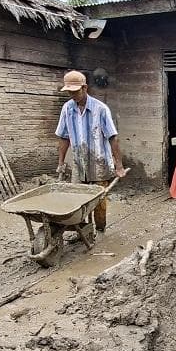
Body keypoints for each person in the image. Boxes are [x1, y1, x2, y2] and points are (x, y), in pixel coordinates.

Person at [55, 70, 126, 231]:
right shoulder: (67, 109)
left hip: (99, 164)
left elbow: (113, 138)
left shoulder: (100, 109)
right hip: (78, 164)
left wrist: (119, 165)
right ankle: (83, 231)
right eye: (69, 92)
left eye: (75, 91)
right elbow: (64, 137)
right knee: (77, 199)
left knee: (99, 201)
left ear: (85, 88)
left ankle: (100, 230)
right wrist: (60, 162)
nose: (73, 95)